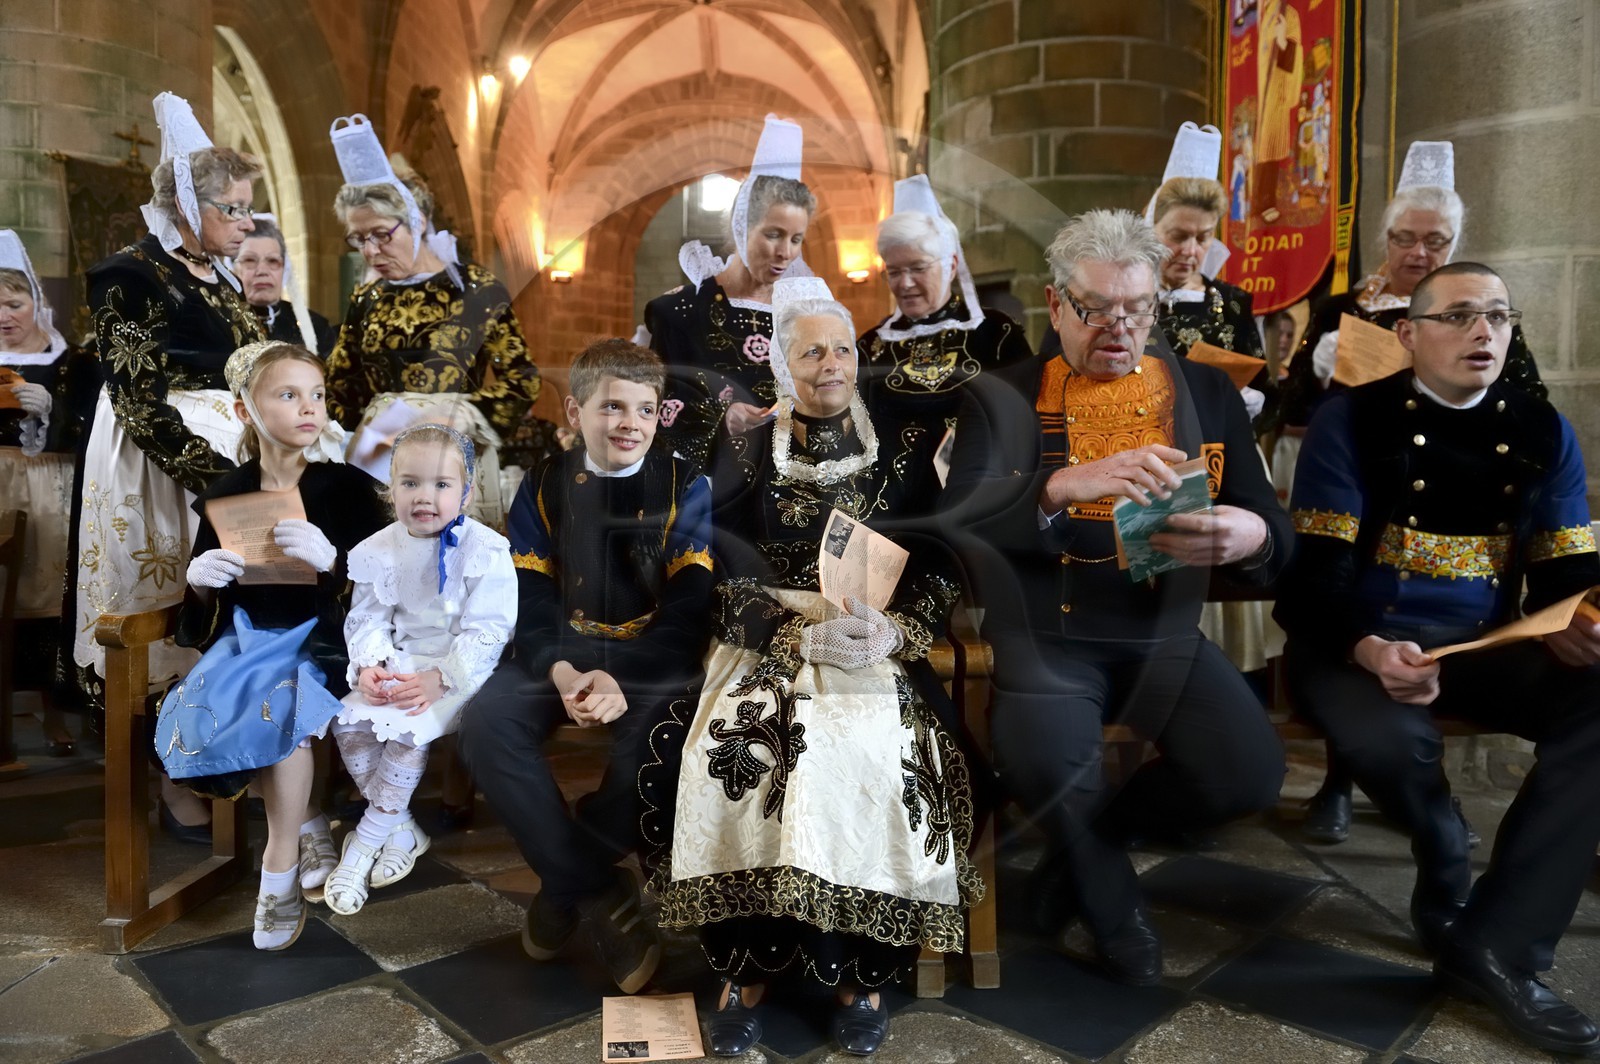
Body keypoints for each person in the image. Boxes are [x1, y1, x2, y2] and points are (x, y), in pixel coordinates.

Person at [943, 210, 1290, 987]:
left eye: (1137, 309)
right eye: (1096, 309)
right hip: (1046, 629)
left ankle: (1080, 849)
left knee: (1248, 775)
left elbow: (1273, 527)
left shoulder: (1205, 389)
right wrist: (1059, 486)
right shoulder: (999, 395)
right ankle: (1111, 905)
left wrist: (1251, 534)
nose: (1119, 327)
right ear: (1056, 304)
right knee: (1045, 757)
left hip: (1162, 629)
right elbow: (958, 522)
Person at [648, 277, 979, 1058]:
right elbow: (715, 567)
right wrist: (788, 634)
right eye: (810, 352)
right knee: (733, 754)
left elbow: (940, 560)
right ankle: (745, 972)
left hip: (873, 639)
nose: (830, 364)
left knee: (867, 752)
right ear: (781, 365)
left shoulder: (901, 447)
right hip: (769, 639)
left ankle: (860, 976)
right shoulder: (745, 447)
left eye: (842, 350)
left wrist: (898, 632)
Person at [1275, 262, 1600, 1058]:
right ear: (1408, 335)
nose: (1482, 331)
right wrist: (1368, 647)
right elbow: (1313, 582)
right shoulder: (1352, 421)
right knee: (1394, 744)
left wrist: (1577, 620)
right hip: (1353, 645)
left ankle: (1499, 945)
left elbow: (1567, 568)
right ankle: (1442, 841)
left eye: (1497, 315)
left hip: (1483, 644)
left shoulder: (1541, 429)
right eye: (1457, 316)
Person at [1280, 142, 1544, 843]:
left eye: (1436, 241)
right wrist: (1328, 376)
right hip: (1354, 478)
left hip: (1455, 497)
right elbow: (1294, 403)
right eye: (1406, 238)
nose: (1419, 252)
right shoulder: (1345, 307)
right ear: (1386, 239)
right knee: (1349, 604)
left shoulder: (1482, 316)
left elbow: (1523, 407)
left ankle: (1430, 805)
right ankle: (1340, 784)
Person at [458, 338, 714, 995]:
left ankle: (563, 885)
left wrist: (623, 679)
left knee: (664, 740)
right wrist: (564, 671)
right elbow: (530, 593)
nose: (630, 423)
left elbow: (691, 604)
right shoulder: (544, 483)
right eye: (612, 407)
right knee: (485, 723)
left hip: (649, 656)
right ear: (574, 412)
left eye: (645, 409)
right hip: (558, 651)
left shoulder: (686, 484)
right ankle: (598, 887)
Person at [72, 92, 268, 837]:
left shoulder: (222, 274)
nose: (246, 224)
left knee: (234, 615)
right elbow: (136, 398)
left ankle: (225, 756)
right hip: (160, 471)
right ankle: (171, 780)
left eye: (248, 209)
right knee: (164, 615)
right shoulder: (128, 274)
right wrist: (219, 483)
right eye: (233, 209)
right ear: (187, 202)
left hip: (235, 462)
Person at [154, 340, 387, 949]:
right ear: (245, 411)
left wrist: (336, 563)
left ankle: (277, 867)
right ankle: (308, 821)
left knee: (280, 702)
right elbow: (203, 611)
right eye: (288, 395)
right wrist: (199, 584)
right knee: (201, 710)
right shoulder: (225, 494)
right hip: (248, 639)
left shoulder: (348, 488)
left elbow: (394, 588)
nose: (309, 407)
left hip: (326, 639)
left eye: (317, 395)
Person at [324, 114, 553, 527]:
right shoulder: (365, 298)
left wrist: (463, 414)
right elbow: (339, 387)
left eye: (381, 234)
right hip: (380, 465)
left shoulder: (477, 290)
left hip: (455, 454)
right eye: (359, 238)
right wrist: (350, 437)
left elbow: (523, 380)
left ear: (419, 221)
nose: (371, 251)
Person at [327, 423, 516, 915]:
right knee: (348, 723)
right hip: (400, 662)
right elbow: (368, 618)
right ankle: (402, 827)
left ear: (466, 493)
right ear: (390, 490)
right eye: (409, 483)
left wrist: (442, 677)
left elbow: (490, 629)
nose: (424, 497)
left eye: (441, 484)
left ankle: (364, 843)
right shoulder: (378, 549)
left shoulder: (485, 549)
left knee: (408, 733)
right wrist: (370, 665)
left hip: (459, 669)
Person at [645, 115, 814, 473]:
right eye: (773, 234)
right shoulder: (679, 311)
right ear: (742, 226)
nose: (785, 252)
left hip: (794, 486)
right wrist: (723, 419)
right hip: (708, 487)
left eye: (796, 239)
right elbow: (654, 405)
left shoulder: (808, 316)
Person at [0, 231, 98, 723]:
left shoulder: (75, 363)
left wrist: (51, 413)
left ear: (36, 303)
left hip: (52, 487)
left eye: (14, 304)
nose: (4, 317)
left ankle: (56, 709)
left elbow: (98, 432)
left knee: (48, 594)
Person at [858, 175, 1032, 446]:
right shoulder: (870, 345)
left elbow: (1023, 418)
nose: (905, 283)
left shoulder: (996, 333)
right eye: (894, 271)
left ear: (950, 266)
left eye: (918, 268)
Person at [233, 215, 335, 353]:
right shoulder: (219, 324)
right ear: (232, 268)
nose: (262, 271)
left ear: (285, 268)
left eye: (272, 261)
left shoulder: (317, 328)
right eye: (250, 260)